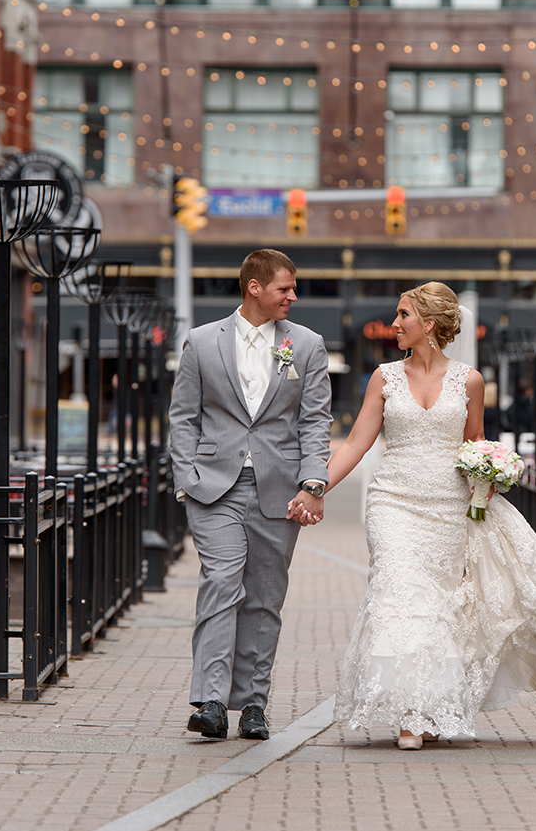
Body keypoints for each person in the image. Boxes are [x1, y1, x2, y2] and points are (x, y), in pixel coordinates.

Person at [288, 282, 536, 750]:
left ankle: (425, 707)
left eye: (403, 314)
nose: (395, 323)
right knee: (397, 592)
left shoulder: (469, 380)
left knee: (438, 608)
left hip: (448, 509)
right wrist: (315, 486)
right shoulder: (382, 378)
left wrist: (488, 479)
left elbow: (474, 445)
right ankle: (408, 713)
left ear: (427, 324)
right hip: (393, 503)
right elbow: (354, 443)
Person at [170, 249, 332, 741]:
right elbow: (183, 416)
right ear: (255, 287)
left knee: (264, 598)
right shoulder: (201, 342)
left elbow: (315, 421)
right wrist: (187, 479)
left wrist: (313, 482)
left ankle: (253, 704)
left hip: (279, 490)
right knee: (221, 583)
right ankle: (213, 702)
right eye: (285, 288)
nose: (293, 296)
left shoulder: (306, 345)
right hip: (213, 488)